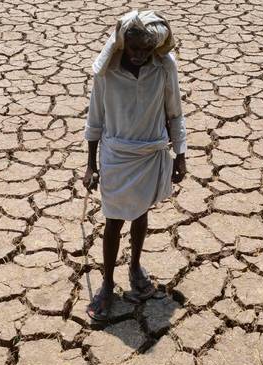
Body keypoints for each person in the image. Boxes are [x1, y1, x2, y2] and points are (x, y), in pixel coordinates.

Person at [82, 10, 187, 321]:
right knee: (113, 220)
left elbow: (175, 113)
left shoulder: (165, 67)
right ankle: (106, 283)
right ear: (122, 44)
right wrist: (91, 165)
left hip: (151, 152)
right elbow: (95, 120)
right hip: (116, 154)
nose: (141, 55)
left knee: (141, 212)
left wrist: (180, 155)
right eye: (134, 48)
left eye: (146, 49)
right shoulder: (107, 72)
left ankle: (135, 266)